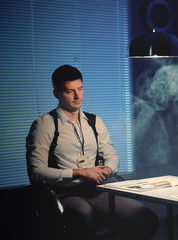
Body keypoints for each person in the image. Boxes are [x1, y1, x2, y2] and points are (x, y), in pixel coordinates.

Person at [26, 65, 159, 240]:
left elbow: (111, 156)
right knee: (82, 214)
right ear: (57, 93)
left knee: (146, 217)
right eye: (69, 91)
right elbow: (37, 172)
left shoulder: (94, 122)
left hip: (97, 191)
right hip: (65, 194)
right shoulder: (45, 125)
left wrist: (108, 170)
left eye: (80, 89)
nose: (77, 96)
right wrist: (81, 172)